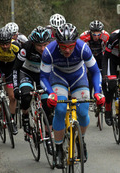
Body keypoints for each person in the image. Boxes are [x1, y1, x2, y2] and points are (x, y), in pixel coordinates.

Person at [40, 23, 105, 168]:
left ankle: (80, 140)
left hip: (78, 77)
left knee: (82, 112)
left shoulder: (83, 48)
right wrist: (50, 94)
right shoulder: (49, 51)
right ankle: (58, 150)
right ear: (57, 43)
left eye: (71, 45)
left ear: (76, 42)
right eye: (63, 46)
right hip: (59, 78)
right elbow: (43, 76)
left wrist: (97, 92)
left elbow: (95, 72)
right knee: (61, 110)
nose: (67, 49)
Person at [12, 26, 52, 146]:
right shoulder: (26, 48)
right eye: (39, 45)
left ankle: (48, 136)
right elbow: (15, 68)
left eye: (45, 44)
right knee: (26, 96)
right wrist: (15, 87)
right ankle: (25, 116)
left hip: (43, 76)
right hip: (27, 73)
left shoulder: (52, 49)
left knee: (47, 105)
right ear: (33, 43)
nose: (42, 48)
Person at [80, 20, 109, 101]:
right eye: (94, 34)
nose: (96, 36)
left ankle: (104, 94)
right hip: (89, 56)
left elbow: (108, 51)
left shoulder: (106, 36)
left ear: (101, 32)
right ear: (90, 32)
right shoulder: (84, 37)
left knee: (103, 75)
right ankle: (89, 96)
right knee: (89, 75)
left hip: (100, 55)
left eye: (98, 34)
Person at [102, 29, 120, 126]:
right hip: (112, 59)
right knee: (110, 84)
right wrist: (105, 75)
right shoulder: (113, 37)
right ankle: (108, 109)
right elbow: (106, 57)